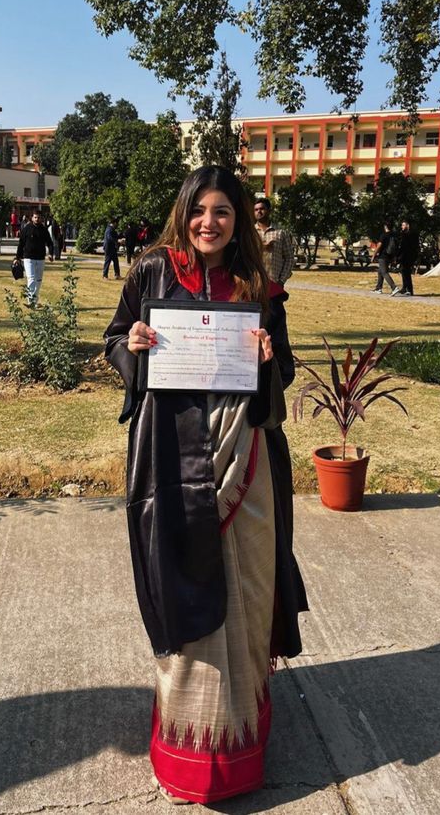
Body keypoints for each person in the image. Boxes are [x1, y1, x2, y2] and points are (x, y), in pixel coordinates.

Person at [105, 165, 307, 805]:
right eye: (200, 210)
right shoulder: (151, 273)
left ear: (237, 219)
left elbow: (287, 370)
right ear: (183, 212)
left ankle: (240, 748)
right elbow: (115, 340)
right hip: (169, 454)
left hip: (244, 452)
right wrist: (132, 345)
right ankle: (189, 751)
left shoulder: (259, 285)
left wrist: (271, 361)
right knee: (181, 580)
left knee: (247, 588)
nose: (209, 223)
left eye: (222, 212)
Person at [254, 197, 294, 330]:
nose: (259, 212)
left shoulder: (280, 233)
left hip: (274, 284)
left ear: (269, 211)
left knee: (275, 322)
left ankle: (276, 350)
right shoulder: (250, 233)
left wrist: (281, 280)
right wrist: (261, 247)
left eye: (262, 209)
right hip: (254, 284)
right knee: (255, 322)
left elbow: (289, 258)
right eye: (256, 210)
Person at [13, 210, 54, 306]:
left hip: (40, 258)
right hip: (28, 258)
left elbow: (50, 243)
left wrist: (51, 254)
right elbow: (21, 244)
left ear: (41, 218)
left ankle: (34, 300)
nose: (37, 219)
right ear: (32, 218)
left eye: (39, 217)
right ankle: (30, 301)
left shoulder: (44, 230)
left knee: (38, 280)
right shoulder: (27, 229)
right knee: (31, 279)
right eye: (35, 217)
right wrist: (17, 257)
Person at [371, 221, 400, 295]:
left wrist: (374, 255)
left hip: (383, 256)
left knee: (384, 272)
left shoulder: (384, 235)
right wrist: (394, 257)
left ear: (385, 227)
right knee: (380, 271)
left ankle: (394, 287)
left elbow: (379, 246)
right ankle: (378, 288)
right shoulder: (394, 235)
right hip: (390, 256)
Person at [396, 219, 420, 296]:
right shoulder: (405, 234)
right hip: (405, 255)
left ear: (407, 225)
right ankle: (404, 287)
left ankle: (409, 289)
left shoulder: (410, 234)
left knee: (406, 272)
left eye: (403, 225)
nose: (402, 227)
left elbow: (405, 246)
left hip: (408, 255)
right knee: (403, 271)